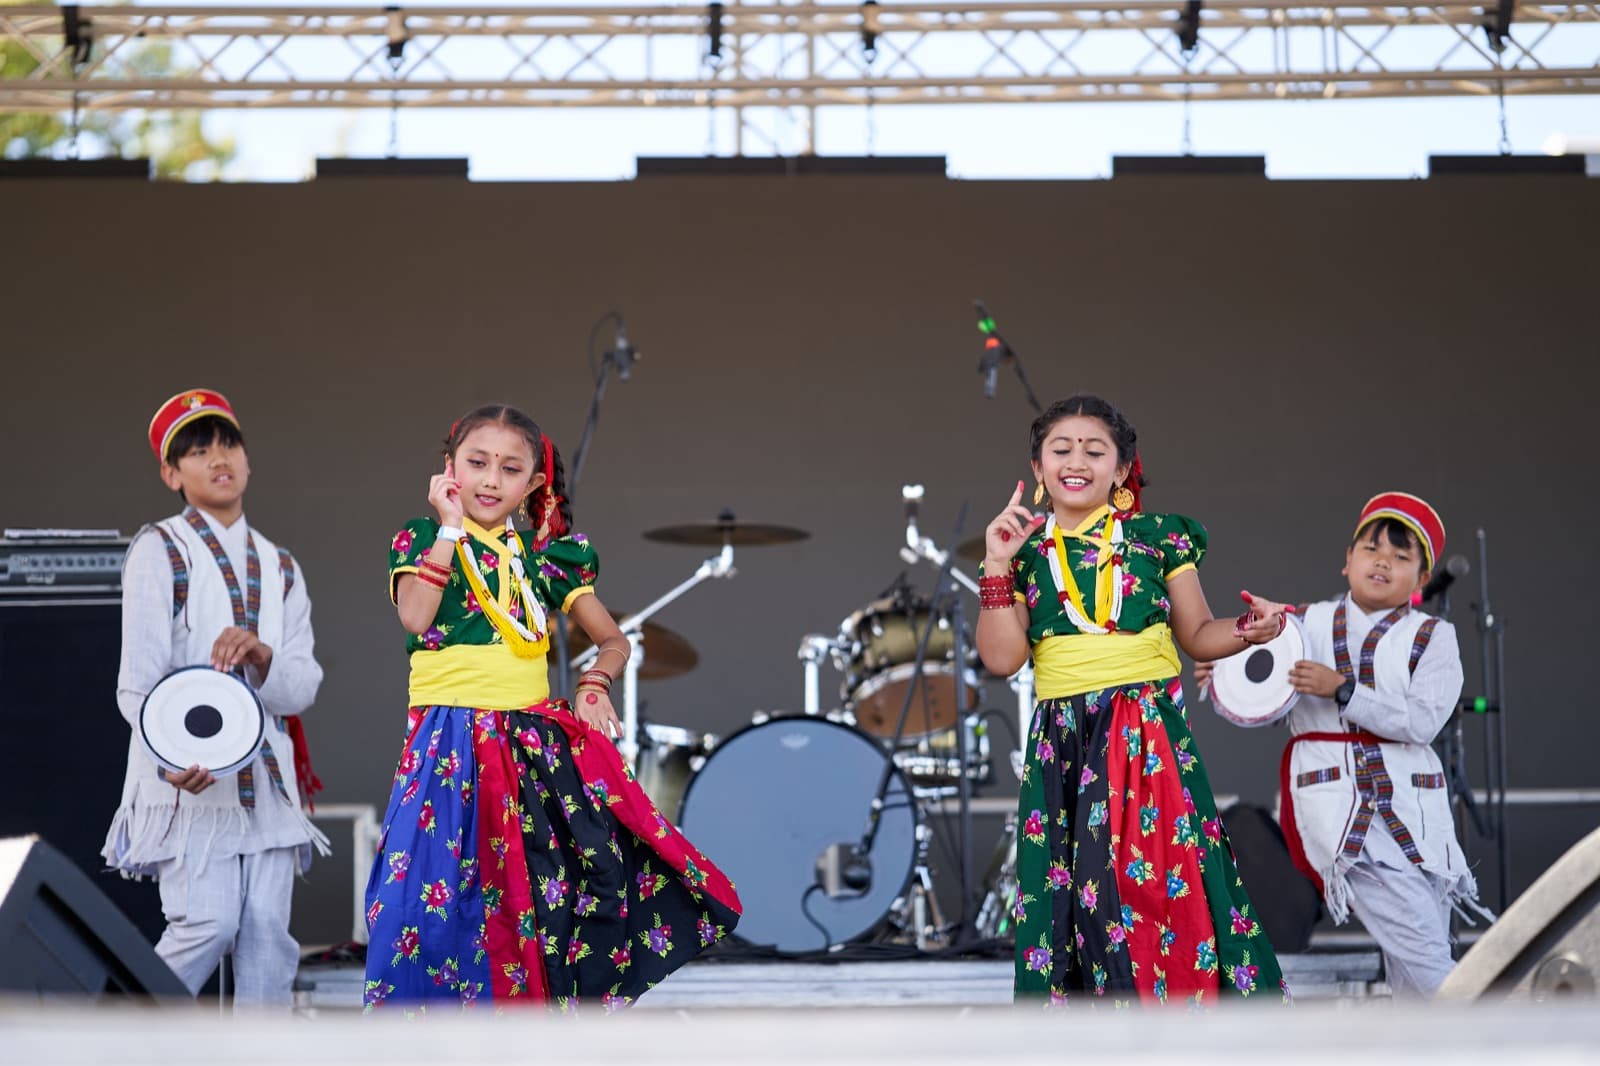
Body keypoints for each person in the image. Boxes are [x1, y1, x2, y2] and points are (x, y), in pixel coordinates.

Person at [364, 404, 740, 1012]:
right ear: (448, 469)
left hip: (527, 748)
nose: (490, 480)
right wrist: (450, 529)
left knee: (540, 899)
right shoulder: (424, 537)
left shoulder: (548, 558)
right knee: (424, 900)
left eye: (510, 469)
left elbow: (613, 640)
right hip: (449, 744)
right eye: (476, 463)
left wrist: (594, 684)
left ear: (534, 483)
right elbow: (414, 616)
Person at [976, 394, 1291, 1007]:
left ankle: (1173, 1027)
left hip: (1141, 735)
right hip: (1064, 742)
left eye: (1096, 451)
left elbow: (1197, 634)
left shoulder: (1160, 538)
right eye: (1060, 449)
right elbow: (1002, 659)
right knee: (1071, 898)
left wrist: (1251, 631)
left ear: (1121, 471)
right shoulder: (1024, 553)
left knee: (1145, 886)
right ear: (1037, 470)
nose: (1077, 461)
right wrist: (994, 562)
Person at [1207, 492, 1483, 997]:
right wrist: (1225, 667)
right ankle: (1500, 1036)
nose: (1383, 561)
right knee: (1427, 960)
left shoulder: (1434, 635)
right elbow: (1264, 698)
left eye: (1402, 557)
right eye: (1371, 548)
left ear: (1421, 581)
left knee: (1415, 967)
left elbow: (1423, 722)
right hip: (1340, 810)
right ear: (1347, 560)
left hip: (1416, 815)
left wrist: (1344, 690)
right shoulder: (1303, 623)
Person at [103, 388, 328, 1007]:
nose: (218, 458)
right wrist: (169, 758)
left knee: (266, 940)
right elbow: (138, 680)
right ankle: (113, 1040)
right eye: (198, 451)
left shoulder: (280, 565)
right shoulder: (160, 548)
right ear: (172, 473)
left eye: (228, 443)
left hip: (268, 782)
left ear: (248, 460)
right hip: (190, 780)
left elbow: (301, 686)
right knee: (207, 924)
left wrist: (262, 655)